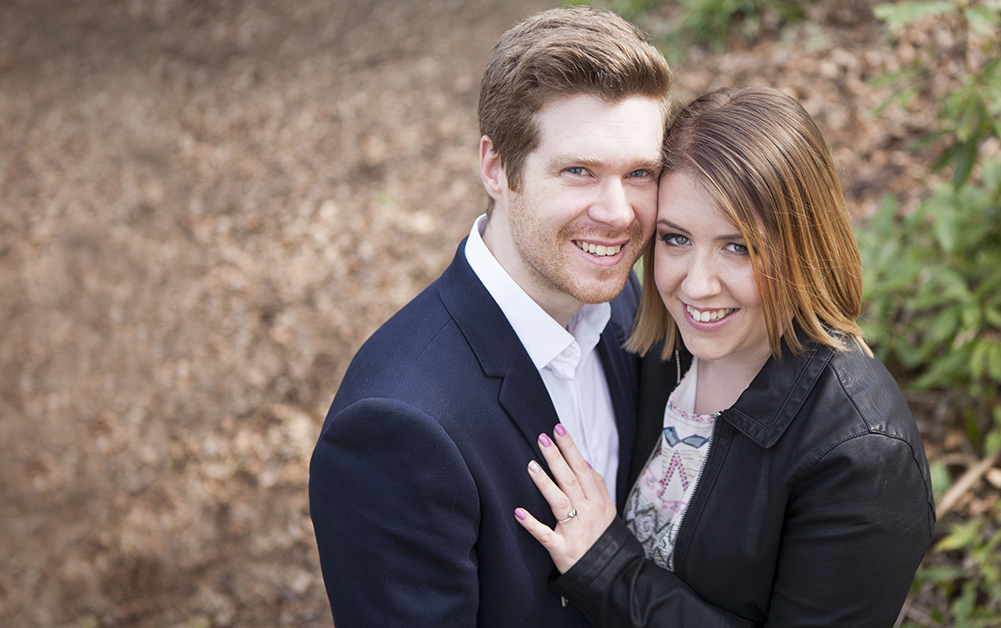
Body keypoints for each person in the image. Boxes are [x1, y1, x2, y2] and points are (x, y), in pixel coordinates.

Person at [515, 86, 936, 627]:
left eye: (738, 247)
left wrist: (609, 569)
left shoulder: (863, 454)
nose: (696, 285)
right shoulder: (655, 352)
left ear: (802, 247)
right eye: (675, 239)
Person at [308, 7, 671, 627]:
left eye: (640, 173)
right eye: (579, 171)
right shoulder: (397, 427)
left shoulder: (625, 307)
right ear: (497, 168)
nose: (618, 213)